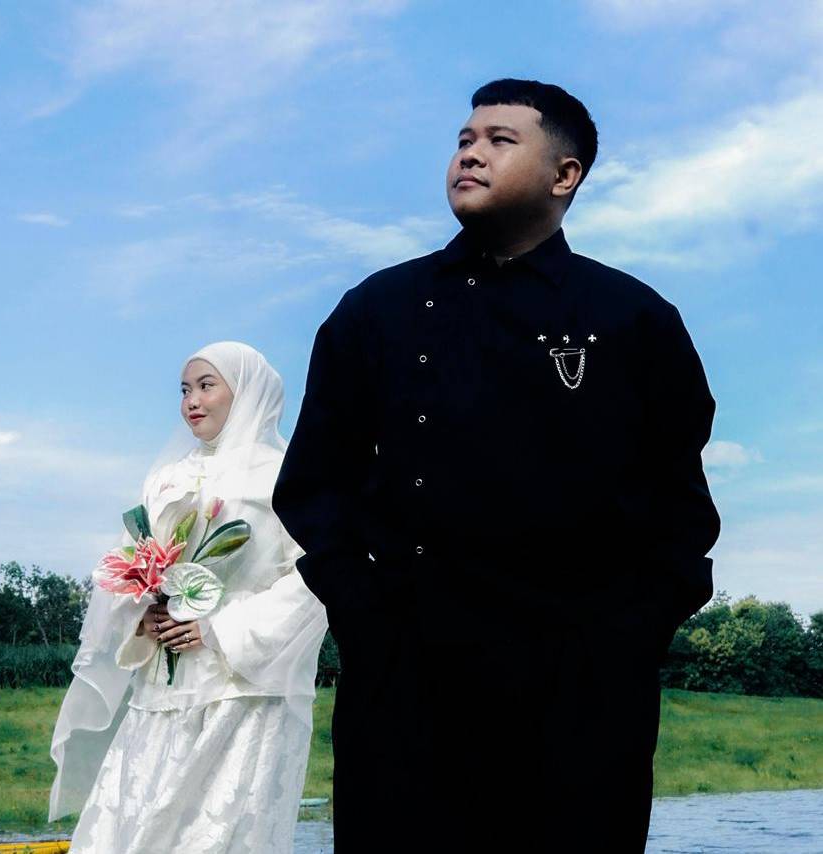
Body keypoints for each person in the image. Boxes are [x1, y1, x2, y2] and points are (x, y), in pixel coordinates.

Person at [272, 78, 721, 852]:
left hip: (582, 686)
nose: (470, 153)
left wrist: (628, 636)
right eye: (464, 140)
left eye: (499, 140)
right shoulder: (376, 309)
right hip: (407, 674)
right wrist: (363, 611)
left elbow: (679, 503)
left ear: (564, 174)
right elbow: (314, 482)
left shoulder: (633, 318)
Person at [49, 341, 328, 853]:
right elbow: (128, 562)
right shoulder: (167, 479)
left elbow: (316, 575)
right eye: (183, 390)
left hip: (244, 691)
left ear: (246, 391)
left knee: (216, 836)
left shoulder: (286, 475)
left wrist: (219, 629)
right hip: (163, 691)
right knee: (138, 831)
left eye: (206, 385)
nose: (191, 401)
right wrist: (141, 612)